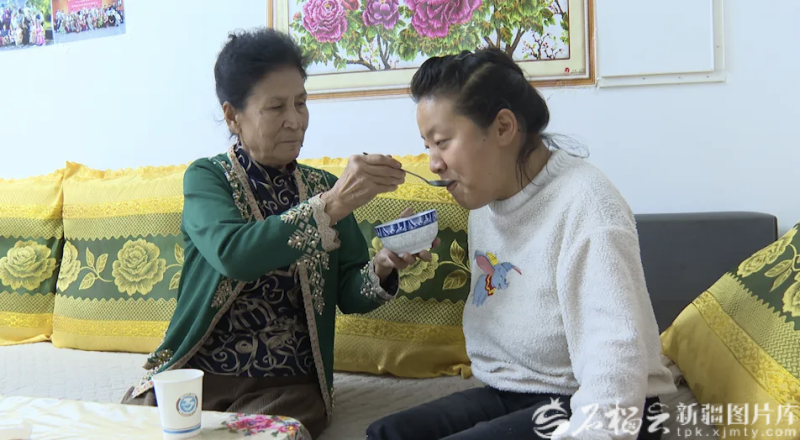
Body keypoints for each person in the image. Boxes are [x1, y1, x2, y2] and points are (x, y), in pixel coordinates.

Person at [120, 28, 437, 439]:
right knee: (125, 429)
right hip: (198, 371)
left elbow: (349, 292)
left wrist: (382, 264)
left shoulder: (322, 186)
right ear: (232, 116)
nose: (295, 120)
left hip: (286, 384)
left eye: (301, 103)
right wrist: (331, 205)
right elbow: (234, 254)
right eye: (276, 107)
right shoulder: (208, 179)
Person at [366, 49, 677, 440]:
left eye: (442, 142)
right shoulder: (487, 198)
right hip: (513, 392)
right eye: (428, 146)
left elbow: (616, 356)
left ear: (503, 128)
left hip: (604, 405)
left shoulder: (587, 202)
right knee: (385, 434)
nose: (433, 163)